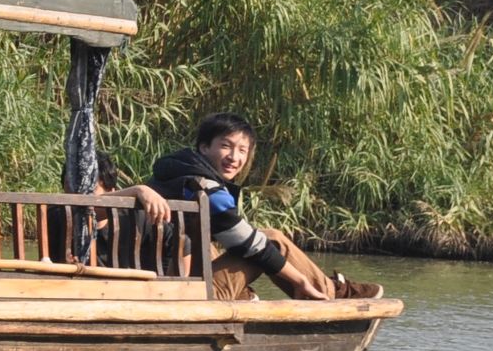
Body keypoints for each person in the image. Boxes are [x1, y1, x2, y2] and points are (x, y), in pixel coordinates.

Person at [144, 112, 380, 300]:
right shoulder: (205, 188)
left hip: (165, 286)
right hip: (189, 294)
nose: (234, 157)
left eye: (242, 150)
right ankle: (331, 292)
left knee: (213, 241)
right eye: (226, 146)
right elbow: (252, 246)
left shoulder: (171, 176)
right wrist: (300, 281)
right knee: (272, 239)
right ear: (204, 147)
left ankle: (246, 295)